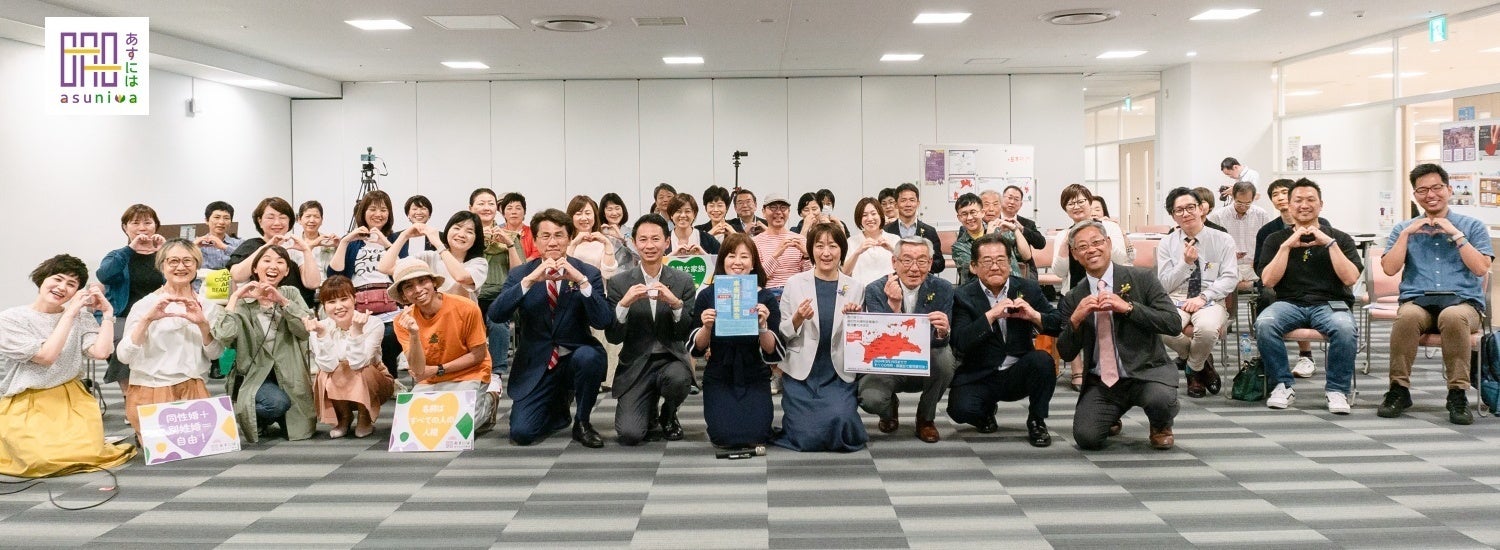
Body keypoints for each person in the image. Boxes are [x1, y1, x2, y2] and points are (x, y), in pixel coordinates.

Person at [0, 255, 135, 477]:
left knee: (85, 453)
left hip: (72, 399)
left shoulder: (81, 317)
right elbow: (46, 356)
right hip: (27, 400)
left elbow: (101, 352)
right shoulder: (11, 319)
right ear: (42, 278)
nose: (62, 287)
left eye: (71, 284)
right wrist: (70, 313)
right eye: (57, 279)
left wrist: (108, 314)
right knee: (40, 460)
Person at [488, 209, 613, 448]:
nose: (552, 242)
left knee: (589, 357)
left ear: (569, 238)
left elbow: (604, 321)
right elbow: (496, 314)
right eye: (545, 236)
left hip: (576, 356)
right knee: (522, 434)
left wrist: (582, 282)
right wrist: (528, 282)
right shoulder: (521, 274)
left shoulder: (587, 272)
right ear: (535, 241)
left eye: (559, 235)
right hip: (537, 361)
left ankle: (583, 422)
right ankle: (557, 407)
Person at [1379, 164, 1492, 424]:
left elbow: (1480, 268)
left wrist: (1456, 234)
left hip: (1463, 303)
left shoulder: (1472, 226)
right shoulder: (1404, 228)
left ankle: (1457, 393)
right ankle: (1398, 390)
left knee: (1453, 316)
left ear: (1449, 190)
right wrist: (1406, 234)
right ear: (1415, 195)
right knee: (1406, 317)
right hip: (1418, 302)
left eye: (1437, 187)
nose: (1430, 194)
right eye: (1422, 190)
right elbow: (1389, 268)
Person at [1057, 221, 1182, 450]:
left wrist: (1129, 308)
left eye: (1096, 242)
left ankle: (1161, 424)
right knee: (1087, 438)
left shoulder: (1142, 278)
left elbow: (1173, 324)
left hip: (1147, 372)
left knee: (1160, 400)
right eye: (1083, 246)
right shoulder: (1074, 296)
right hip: (1102, 380)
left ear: (1108, 243)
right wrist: (1075, 320)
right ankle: (1111, 415)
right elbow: (1065, 352)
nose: (1091, 250)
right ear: (1074, 254)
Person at [1254, 179, 1362, 414]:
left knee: (1345, 328)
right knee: (1264, 323)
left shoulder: (1340, 238)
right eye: (1298, 200)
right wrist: (1286, 247)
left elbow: (1350, 278)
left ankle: (1337, 390)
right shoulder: (1275, 239)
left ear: (1321, 205)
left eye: (1311, 200)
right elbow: (1268, 281)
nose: (1304, 205)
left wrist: (1330, 244)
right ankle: (1282, 385)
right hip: (1288, 303)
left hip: (1331, 303)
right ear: (1290, 205)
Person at [947, 234, 1060, 447]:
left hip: (1018, 371)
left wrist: (1034, 316)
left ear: (1010, 263)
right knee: (959, 410)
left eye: (1001, 260)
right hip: (980, 373)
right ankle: (986, 412)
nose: (995, 267)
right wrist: (991, 316)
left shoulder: (1028, 288)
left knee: (1043, 361)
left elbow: (1058, 324)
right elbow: (960, 341)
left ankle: (1037, 420)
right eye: (987, 261)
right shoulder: (962, 295)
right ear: (973, 267)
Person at [774, 223, 868, 452]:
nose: (826, 253)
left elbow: (863, 340)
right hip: (801, 373)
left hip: (837, 372)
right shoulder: (795, 283)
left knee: (841, 421)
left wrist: (855, 320)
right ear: (811, 249)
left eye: (833, 246)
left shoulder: (855, 287)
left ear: (842, 250)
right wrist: (797, 318)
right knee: (806, 436)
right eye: (819, 246)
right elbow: (782, 333)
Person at [606, 215, 698, 445]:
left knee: (678, 379)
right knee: (630, 434)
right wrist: (624, 304)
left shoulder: (683, 280)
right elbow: (613, 336)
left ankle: (669, 412)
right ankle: (648, 408)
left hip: (670, 360)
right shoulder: (619, 283)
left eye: (656, 239)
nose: (649, 245)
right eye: (643, 239)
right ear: (634, 243)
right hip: (636, 363)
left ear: (667, 242)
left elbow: (685, 333)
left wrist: (675, 304)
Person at [117, 239, 223, 435]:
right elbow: (124, 356)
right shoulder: (144, 305)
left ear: (196, 266)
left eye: (187, 261)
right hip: (150, 387)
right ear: (162, 266)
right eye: (173, 261)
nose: (180, 267)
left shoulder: (208, 307)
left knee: (193, 446)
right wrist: (147, 320)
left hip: (193, 387)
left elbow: (215, 354)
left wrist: (203, 325)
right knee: (162, 447)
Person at [213, 245, 316, 442]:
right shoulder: (243, 299)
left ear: (287, 270)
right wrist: (234, 297)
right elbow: (225, 336)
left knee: (300, 429)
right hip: (255, 372)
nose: (273, 266)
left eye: (280, 262)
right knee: (277, 404)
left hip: (289, 370)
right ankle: (245, 415)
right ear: (255, 268)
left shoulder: (290, 293)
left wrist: (283, 302)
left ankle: (266, 417)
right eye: (267, 260)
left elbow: (304, 331)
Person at [857, 237, 955, 443]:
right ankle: (889, 410)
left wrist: (942, 333)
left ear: (930, 263)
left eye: (921, 261)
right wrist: (894, 309)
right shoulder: (876, 289)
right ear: (894, 262)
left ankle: (925, 419)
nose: (914, 268)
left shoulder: (943, 288)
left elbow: (941, 341)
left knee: (945, 359)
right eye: (907, 260)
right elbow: (880, 340)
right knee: (870, 399)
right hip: (887, 365)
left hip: (924, 361)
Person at [689, 233, 783, 449]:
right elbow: (696, 349)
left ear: (753, 263)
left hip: (755, 374)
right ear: (722, 261)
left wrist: (763, 326)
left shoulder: (766, 298)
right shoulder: (707, 295)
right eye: (731, 256)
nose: (737, 262)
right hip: (719, 374)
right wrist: (706, 327)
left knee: (757, 435)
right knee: (723, 436)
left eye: (744, 256)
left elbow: (772, 352)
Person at [391, 258, 499, 437]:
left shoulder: (466, 308)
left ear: (434, 282)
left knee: (459, 429)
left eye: (422, 281)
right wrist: (414, 334)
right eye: (409, 287)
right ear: (403, 296)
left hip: (469, 373)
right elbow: (418, 369)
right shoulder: (402, 321)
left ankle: (490, 401)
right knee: (415, 427)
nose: (417, 289)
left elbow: (478, 355)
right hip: (430, 379)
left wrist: (438, 369)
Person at [1156, 188, 1237, 398]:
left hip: (1210, 297)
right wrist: (1185, 263)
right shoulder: (1166, 243)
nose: (1186, 213)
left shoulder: (1223, 239)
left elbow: (1230, 278)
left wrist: (1203, 297)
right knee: (1160, 326)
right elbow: (1164, 285)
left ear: (1201, 209)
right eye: (1179, 210)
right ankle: (1202, 364)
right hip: (1176, 297)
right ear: (1173, 216)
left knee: (1207, 330)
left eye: (1190, 207)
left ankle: (1193, 370)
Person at [1052, 185, 1129, 390]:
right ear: (1065, 208)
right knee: (1070, 322)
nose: (1076, 206)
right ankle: (1077, 370)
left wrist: (1098, 239)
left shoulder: (1108, 227)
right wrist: (1066, 244)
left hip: (1109, 289)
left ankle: (1113, 366)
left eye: (1081, 201)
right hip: (1074, 290)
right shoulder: (1063, 235)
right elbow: (1059, 272)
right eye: (1071, 203)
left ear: (1090, 202)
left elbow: (1121, 258)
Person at [308, 276, 395, 438]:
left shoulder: (373, 323)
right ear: (324, 305)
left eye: (344, 299)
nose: (338, 306)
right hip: (339, 379)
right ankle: (344, 417)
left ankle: (365, 417)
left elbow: (358, 363)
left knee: (360, 369)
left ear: (354, 299)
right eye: (331, 302)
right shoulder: (320, 326)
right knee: (325, 372)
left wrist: (356, 331)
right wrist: (322, 335)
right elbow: (327, 366)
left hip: (373, 378)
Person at [328, 190, 402, 377]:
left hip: (390, 305)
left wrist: (386, 243)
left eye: (383, 210)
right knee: (361, 342)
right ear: (363, 212)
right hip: (360, 307)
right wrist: (345, 241)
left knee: (390, 337)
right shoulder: (353, 241)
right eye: (373, 209)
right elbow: (335, 274)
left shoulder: (395, 239)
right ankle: (365, 381)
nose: (378, 214)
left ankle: (388, 380)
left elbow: (404, 269)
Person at [1253, 179, 1323, 375]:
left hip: (1311, 281)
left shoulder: (1321, 225)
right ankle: (1269, 354)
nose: (1280, 197)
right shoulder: (1267, 231)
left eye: (1284, 192)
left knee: (1306, 293)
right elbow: (1259, 265)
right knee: (1267, 294)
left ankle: (1305, 354)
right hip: (1276, 280)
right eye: (1275, 195)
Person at [97, 204, 166, 393]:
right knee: (122, 341)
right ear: (125, 227)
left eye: (147, 222)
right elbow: (104, 275)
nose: (142, 227)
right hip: (122, 317)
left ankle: (162, 391)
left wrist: (166, 251)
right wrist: (130, 249)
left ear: (156, 226)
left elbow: (184, 279)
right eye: (135, 223)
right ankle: (130, 395)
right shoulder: (117, 256)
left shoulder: (164, 254)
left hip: (160, 316)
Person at [228, 197, 323, 307]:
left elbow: (312, 284)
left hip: (293, 309)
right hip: (257, 309)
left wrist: (306, 250)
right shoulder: (250, 245)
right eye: (270, 217)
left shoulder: (295, 246)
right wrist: (267, 246)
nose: (277, 223)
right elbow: (237, 276)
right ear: (260, 221)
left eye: (282, 217)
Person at [380, 211, 489, 303]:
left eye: (469, 231)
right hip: (432, 316)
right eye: (457, 228)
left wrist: (437, 243)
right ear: (448, 230)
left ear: (476, 238)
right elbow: (385, 268)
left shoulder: (479, 263)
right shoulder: (429, 257)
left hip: (463, 317)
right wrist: (404, 236)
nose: (461, 234)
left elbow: (461, 277)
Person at [472, 188, 520, 378]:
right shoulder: (463, 235)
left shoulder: (510, 236)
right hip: (470, 294)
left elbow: (518, 272)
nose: (486, 207)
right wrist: (477, 239)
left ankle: (496, 373)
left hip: (499, 294)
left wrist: (509, 244)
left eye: (491, 204)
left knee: (497, 320)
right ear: (471, 207)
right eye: (481, 203)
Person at [1208, 181, 1273, 287]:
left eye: (1247, 203)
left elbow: (1268, 241)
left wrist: (1260, 259)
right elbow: (1211, 245)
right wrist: (1227, 255)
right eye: (1239, 202)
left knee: (1267, 287)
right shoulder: (1218, 216)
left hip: (1254, 266)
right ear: (1233, 196)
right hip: (1229, 266)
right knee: (1223, 286)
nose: (1243, 207)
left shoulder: (1261, 214)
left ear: (1253, 199)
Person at [753, 193, 812, 294]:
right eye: (773, 207)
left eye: (783, 208)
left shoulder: (800, 239)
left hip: (795, 292)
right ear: (763, 212)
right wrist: (776, 254)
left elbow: (809, 277)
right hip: (768, 294)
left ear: (789, 212)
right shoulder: (755, 242)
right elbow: (758, 279)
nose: (778, 212)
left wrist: (806, 256)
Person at [883, 183, 945, 274]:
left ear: (918, 203)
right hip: (894, 279)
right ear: (896, 205)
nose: (908, 204)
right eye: (903, 200)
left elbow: (939, 264)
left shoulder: (929, 231)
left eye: (912, 200)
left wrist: (922, 264)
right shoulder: (886, 231)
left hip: (922, 279)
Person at [842, 197, 896, 290]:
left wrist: (892, 249)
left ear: (880, 215)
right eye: (864, 215)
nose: (870, 218)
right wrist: (857, 252)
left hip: (888, 293)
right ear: (859, 219)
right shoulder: (851, 242)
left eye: (873, 214)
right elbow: (844, 273)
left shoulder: (894, 239)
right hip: (860, 293)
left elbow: (905, 266)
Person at [995, 185, 1047, 277]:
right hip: (997, 266)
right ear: (1002, 199)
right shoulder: (993, 221)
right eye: (1010, 198)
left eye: (1016, 199)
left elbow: (1041, 244)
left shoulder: (1027, 223)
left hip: (1024, 266)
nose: (1012, 202)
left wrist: (1022, 229)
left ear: (1021, 204)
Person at [951, 193, 991, 287]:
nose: (969, 218)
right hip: (975, 290)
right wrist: (989, 237)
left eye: (973, 212)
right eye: (964, 214)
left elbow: (1024, 256)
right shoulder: (959, 247)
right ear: (959, 217)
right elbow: (975, 269)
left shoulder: (999, 232)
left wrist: (1016, 230)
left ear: (982, 212)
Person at [599, 192, 641, 273]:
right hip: (607, 277)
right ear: (603, 213)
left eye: (617, 208)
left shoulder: (632, 232)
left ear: (623, 210)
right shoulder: (599, 233)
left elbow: (640, 257)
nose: (614, 213)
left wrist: (623, 239)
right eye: (610, 209)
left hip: (629, 276)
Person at [197, 201, 242, 270]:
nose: (221, 222)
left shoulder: (240, 243)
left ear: (231, 222)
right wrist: (193, 247)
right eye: (217, 217)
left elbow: (248, 260)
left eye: (226, 218)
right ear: (207, 220)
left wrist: (225, 247)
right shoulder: (196, 243)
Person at [297, 200, 338, 274]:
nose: (312, 220)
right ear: (299, 220)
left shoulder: (329, 241)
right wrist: (314, 244)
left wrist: (339, 246)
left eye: (316, 217)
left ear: (321, 220)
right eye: (308, 216)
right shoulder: (294, 243)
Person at [500, 192, 541, 261]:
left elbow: (536, 254)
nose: (514, 212)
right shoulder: (499, 233)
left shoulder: (533, 232)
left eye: (518, 208)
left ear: (524, 212)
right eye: (509, 208)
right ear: (503, 213)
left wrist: (521, 266)